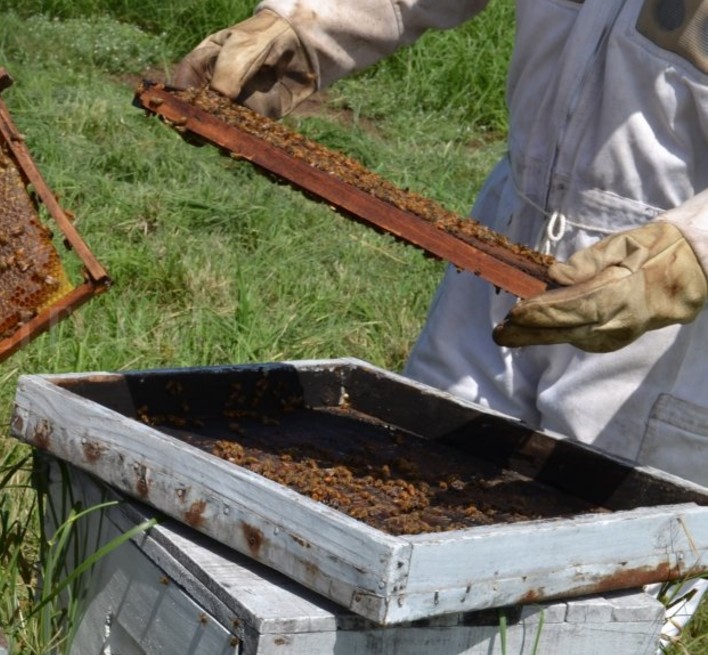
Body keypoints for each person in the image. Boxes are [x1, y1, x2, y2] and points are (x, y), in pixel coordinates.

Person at [175, 0, 708, 645]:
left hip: (661, 309)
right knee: (408, 505)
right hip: (506, 239)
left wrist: (692, 250)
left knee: (596, 592)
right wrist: (306, 25)